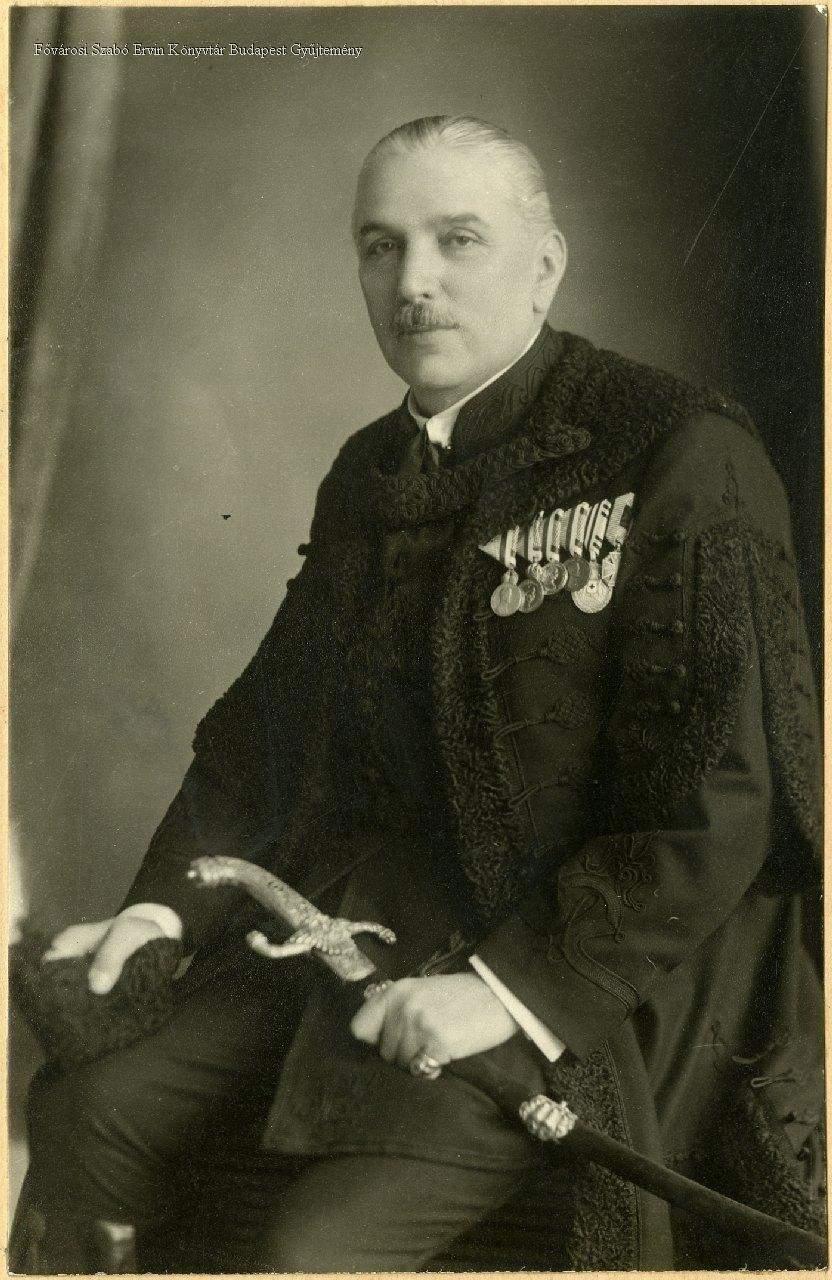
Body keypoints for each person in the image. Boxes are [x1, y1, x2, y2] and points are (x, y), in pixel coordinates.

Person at [11, 115, 824, 1273]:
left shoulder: (676, 449)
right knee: (87, 1108)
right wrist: (162, 912)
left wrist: (507, 990)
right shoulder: (370, 471)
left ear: (544, 264)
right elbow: (264, 737)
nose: (413, 282)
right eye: (380, 246)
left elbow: (718, 806)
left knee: (311, 1251)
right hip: (370, 927)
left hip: (590, 963)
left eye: (457, 240)